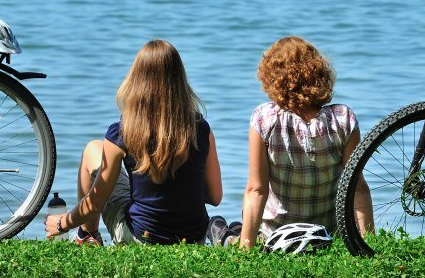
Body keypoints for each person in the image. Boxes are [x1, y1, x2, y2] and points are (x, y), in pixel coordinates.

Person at [45, 39, 222, 245]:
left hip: (142, 237)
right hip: (193, 238)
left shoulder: (123, 131)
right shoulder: (201, 129)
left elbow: (94, 204)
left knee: (92, 149)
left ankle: (88, 235)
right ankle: (89, 235)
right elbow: (215, 197)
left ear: (137, 79)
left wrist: (61, 224)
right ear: (180, 79)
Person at [208, 36, 373, 248]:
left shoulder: (264, 119)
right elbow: (358, 188)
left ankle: (229, 236)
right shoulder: (343, 119)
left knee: (225, 228)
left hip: (275, 236)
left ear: (272, 79)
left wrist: (246, 249)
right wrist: (368, 244)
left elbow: (257, 190)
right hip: (326, 235)